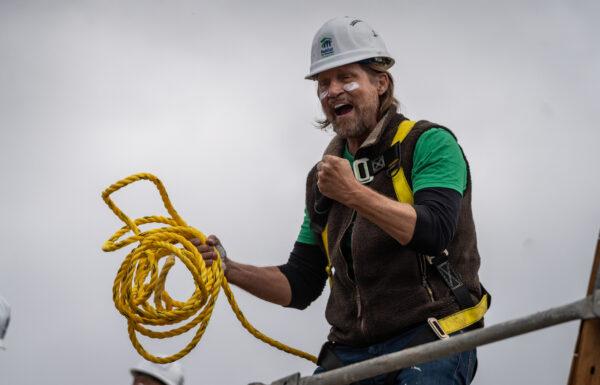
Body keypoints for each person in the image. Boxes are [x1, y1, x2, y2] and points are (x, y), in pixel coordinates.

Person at [193, 16, 488, 385]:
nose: (332, 91)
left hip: (431, 335)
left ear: (381, 83)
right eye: (323, 83)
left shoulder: (428, 144)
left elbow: (435, 231)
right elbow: (301, 282)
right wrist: (228, 268)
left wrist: (353, 193)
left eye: (346, 77)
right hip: (350, 351)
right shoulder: (322, 181)